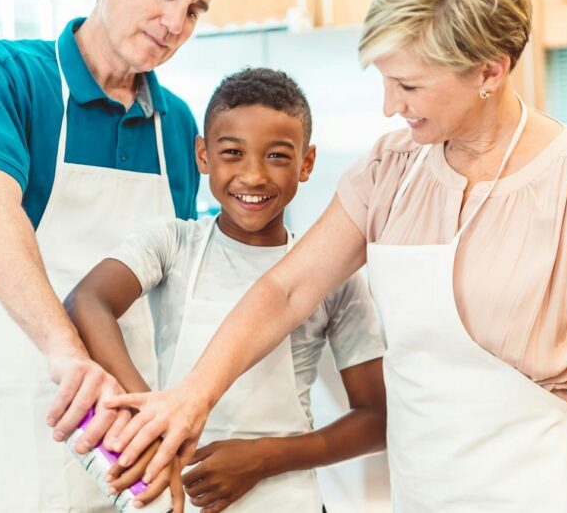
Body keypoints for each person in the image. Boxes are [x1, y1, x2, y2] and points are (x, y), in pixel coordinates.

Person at [102, 0, 567, 512]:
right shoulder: (391, 168)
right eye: (384, 79)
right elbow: (288, 288)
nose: (389, 106)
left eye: (410, 85)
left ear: (490, 72)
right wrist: (193, 395)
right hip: (422, 488)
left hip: (540, 488)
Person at [0, 0, 226, 510]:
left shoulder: (177, 126)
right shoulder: (5, 77)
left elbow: (171, 284)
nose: (175, 25)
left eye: (195, 10)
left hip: (129, 438)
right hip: (13, 414)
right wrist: (66, 353)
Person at [64, 68, 387, 513]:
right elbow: (87, 301)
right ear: (202, 155)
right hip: (177, 490)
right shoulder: (173, 243)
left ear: (307, 163)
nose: (253, 176)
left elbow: (377, 419)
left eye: (277, 156)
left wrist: (262, 460)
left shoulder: (330, 272)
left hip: (287, 498)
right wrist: (156, 419)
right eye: (232, 152)